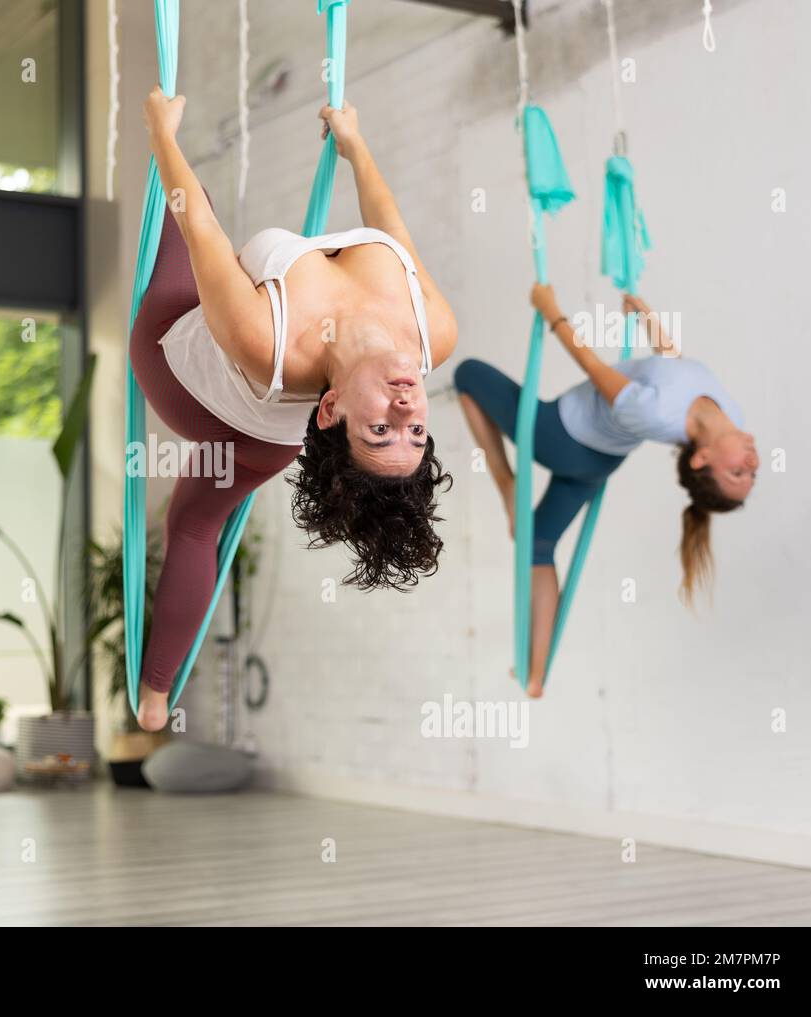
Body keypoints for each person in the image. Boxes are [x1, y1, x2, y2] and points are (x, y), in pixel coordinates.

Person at [131, 86, 457, 731]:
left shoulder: (268, 343)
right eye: (415, 429)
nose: (403, 403)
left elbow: (199, 227)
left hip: (184, 378)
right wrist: (355, 146)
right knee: (198, 523)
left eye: (380, 427)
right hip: (273, 438)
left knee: (193, 527)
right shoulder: (434, 334)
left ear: (331, 408)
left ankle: (154, 687)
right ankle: (152, 701)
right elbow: (395, 235)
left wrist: (160, 133)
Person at [455, 286, 757, 696]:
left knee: (468, 374)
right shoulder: (730, 415)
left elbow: (592, 367)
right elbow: (677, 367)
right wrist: (647, 316)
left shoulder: (653, 413)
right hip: (598, 464)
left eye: (737, 471)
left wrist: (551, 311)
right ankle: (536, 675)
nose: (753, 463)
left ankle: (507, 483)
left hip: (561, 437)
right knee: (538, 546)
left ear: (702, 459)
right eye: (749, 474)